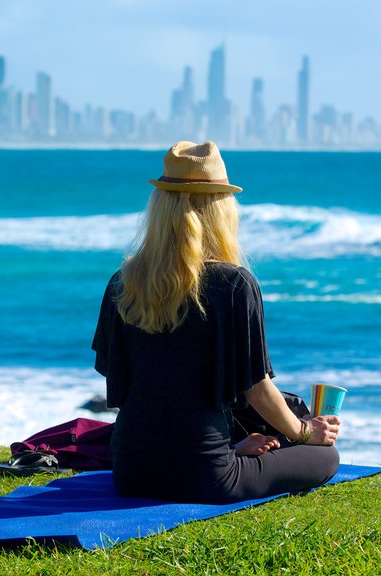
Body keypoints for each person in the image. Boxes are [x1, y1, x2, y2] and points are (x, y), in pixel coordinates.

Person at [92, 141, 340, 504]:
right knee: (326, 457)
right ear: (220, 209)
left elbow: (119, 377)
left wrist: (232, 445)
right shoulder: (233, 283)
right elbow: (256, 388)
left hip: (131, 471)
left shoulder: (123, 281)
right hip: (204, 477)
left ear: (160, 208)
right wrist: (304, 433)